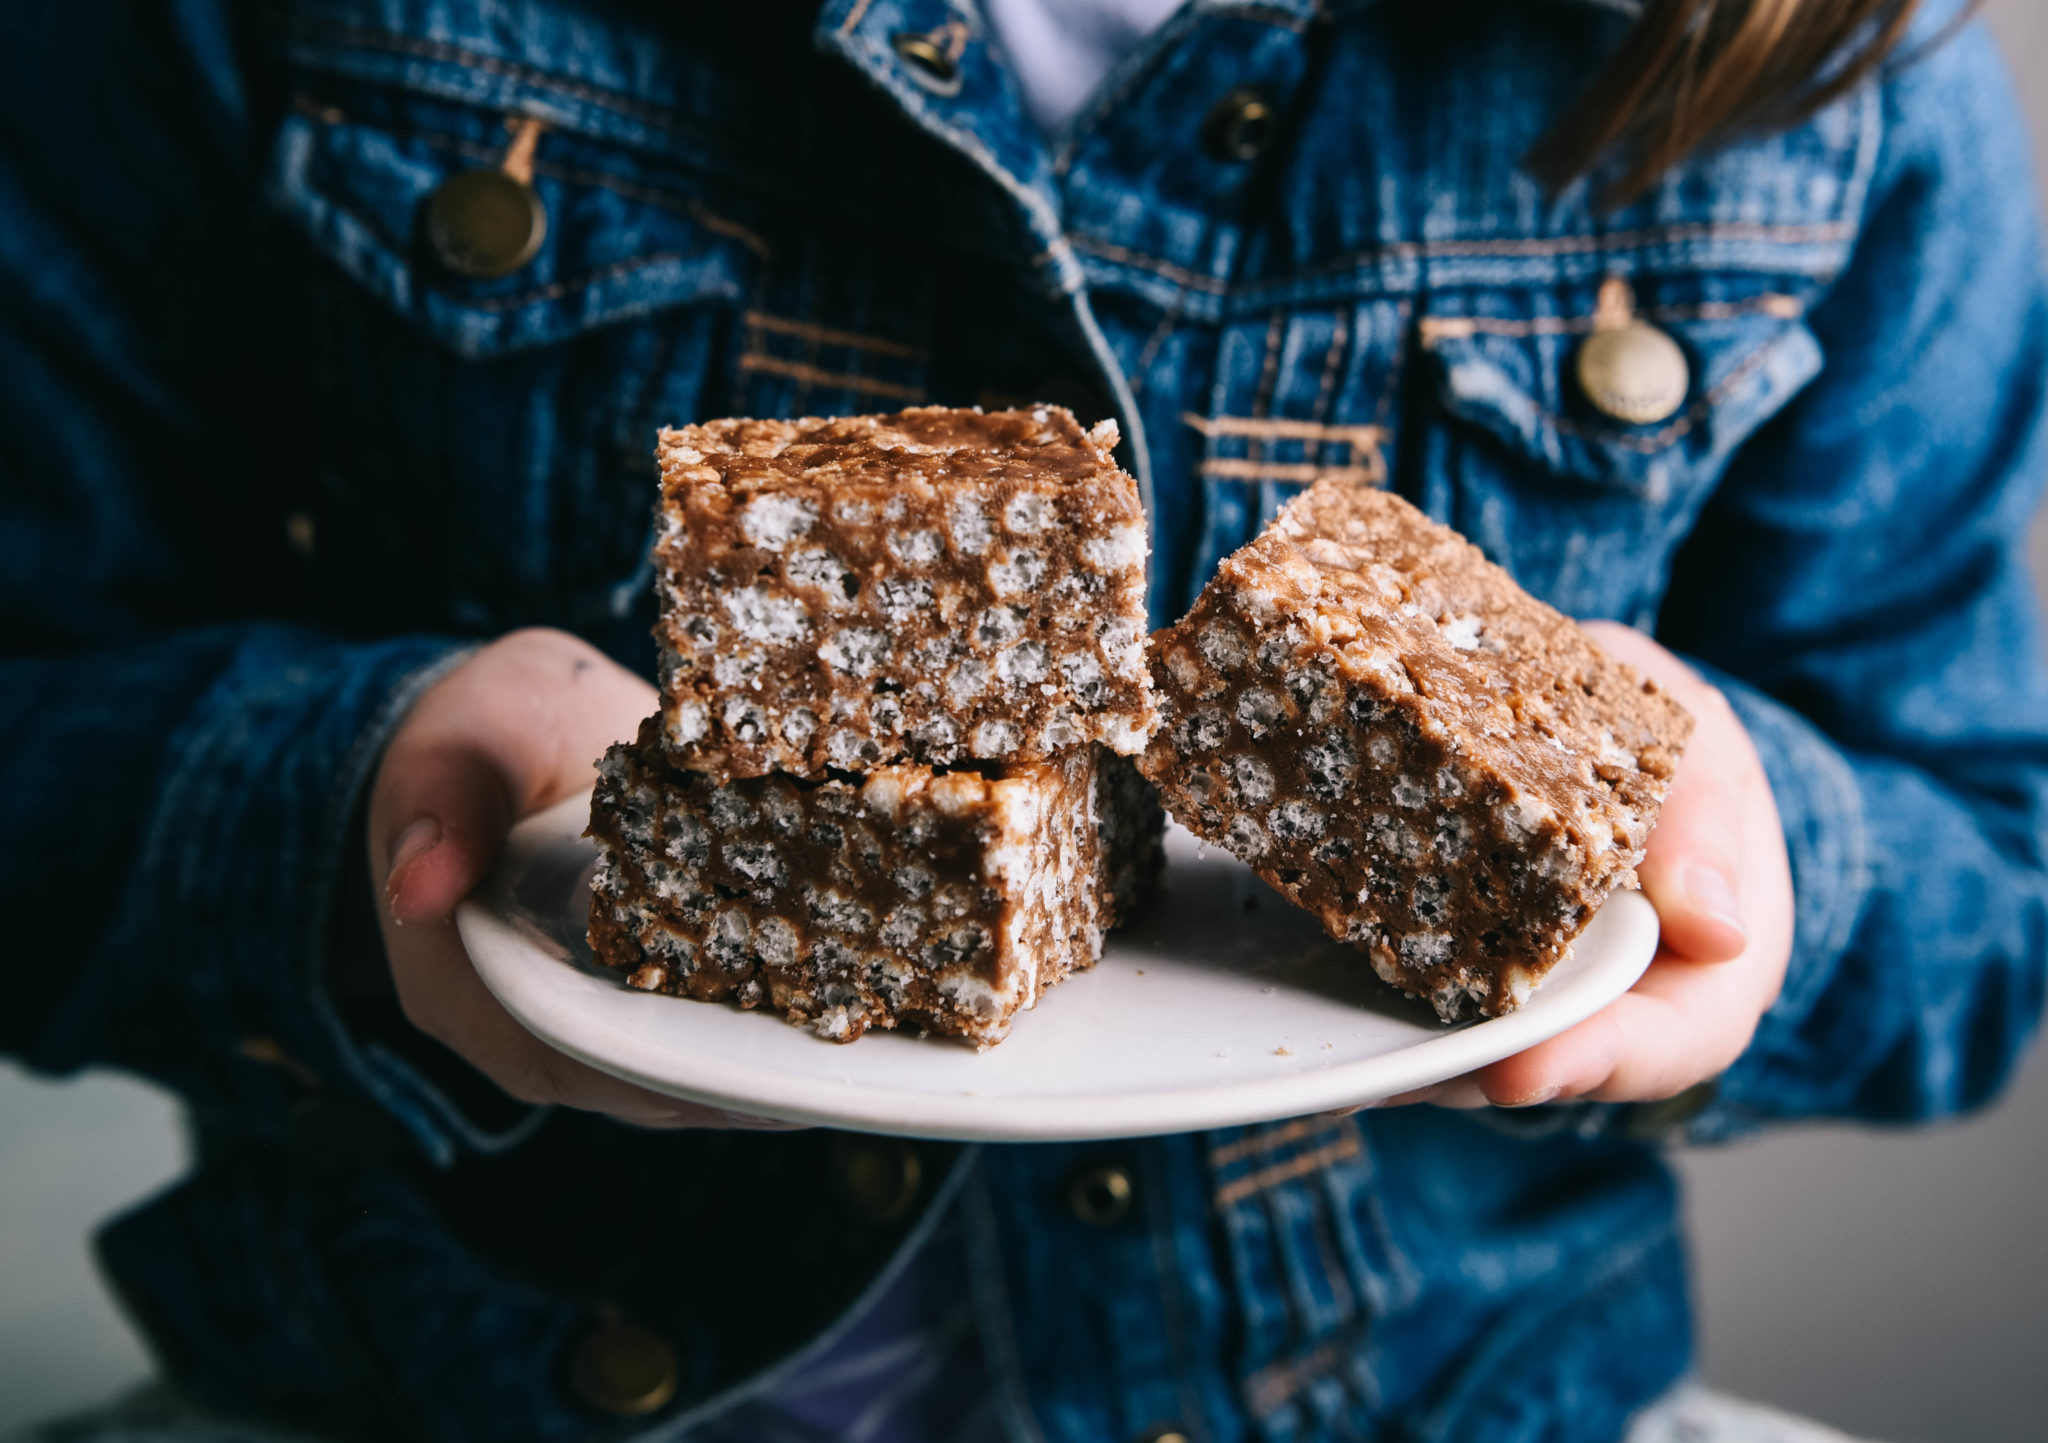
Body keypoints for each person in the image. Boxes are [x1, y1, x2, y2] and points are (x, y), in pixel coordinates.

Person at [2, 0, 2044, 1439]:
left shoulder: (1836, 73)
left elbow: (1987, 885)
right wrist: (353, 787)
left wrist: (1740, 841)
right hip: (430, 1380)